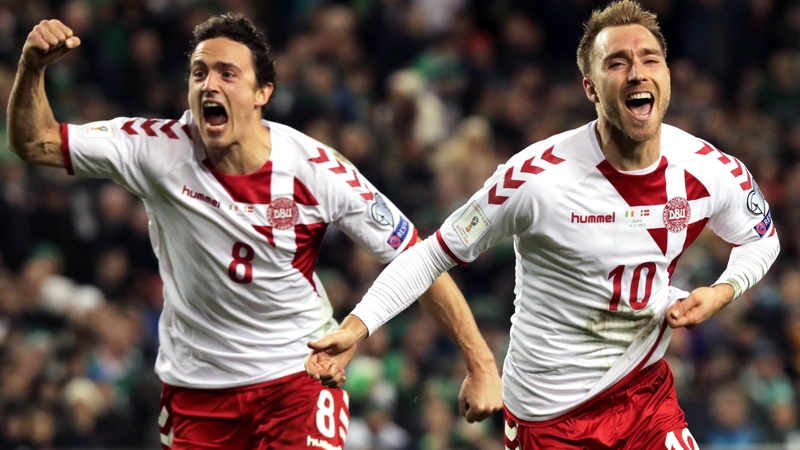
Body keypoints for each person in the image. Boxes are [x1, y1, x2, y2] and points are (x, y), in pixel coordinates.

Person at [6, 13, 502, 450]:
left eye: (228, 73)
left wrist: (480, 365)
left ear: (263, 93)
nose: (209, 85)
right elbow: (36, 142)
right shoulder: (155, 150)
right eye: (199, 73)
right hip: (196, 389)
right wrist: (31, 68)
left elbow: (417, 259)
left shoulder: (316, 171)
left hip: (297, 377)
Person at [305, 1, 781, 448]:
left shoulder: (708, 168)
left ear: (668, 76)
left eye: (650, 59)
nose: (637, 72)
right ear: (590, 88)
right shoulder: (535, 179)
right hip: (549, 418)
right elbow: (430, 256)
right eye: (617, 63)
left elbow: (762, 239)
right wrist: (358, 327)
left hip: (644, 396)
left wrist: (723, 291)